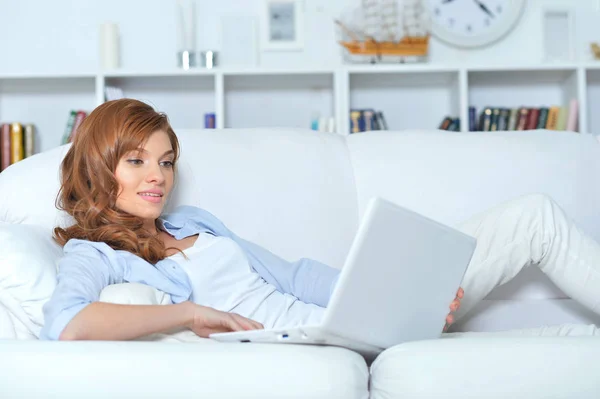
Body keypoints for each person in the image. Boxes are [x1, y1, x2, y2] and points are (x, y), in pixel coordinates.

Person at [41, 99, 600, 342]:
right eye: (136, 161)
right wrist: (189, 314)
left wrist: (391, 291)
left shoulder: (191, 222)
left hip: (350, 315)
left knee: (533, 216)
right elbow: (66, 326)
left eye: (165, 161)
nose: (157, 176)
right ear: (99, 164)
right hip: (312, 339)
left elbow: (294, 275)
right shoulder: (94, 253)